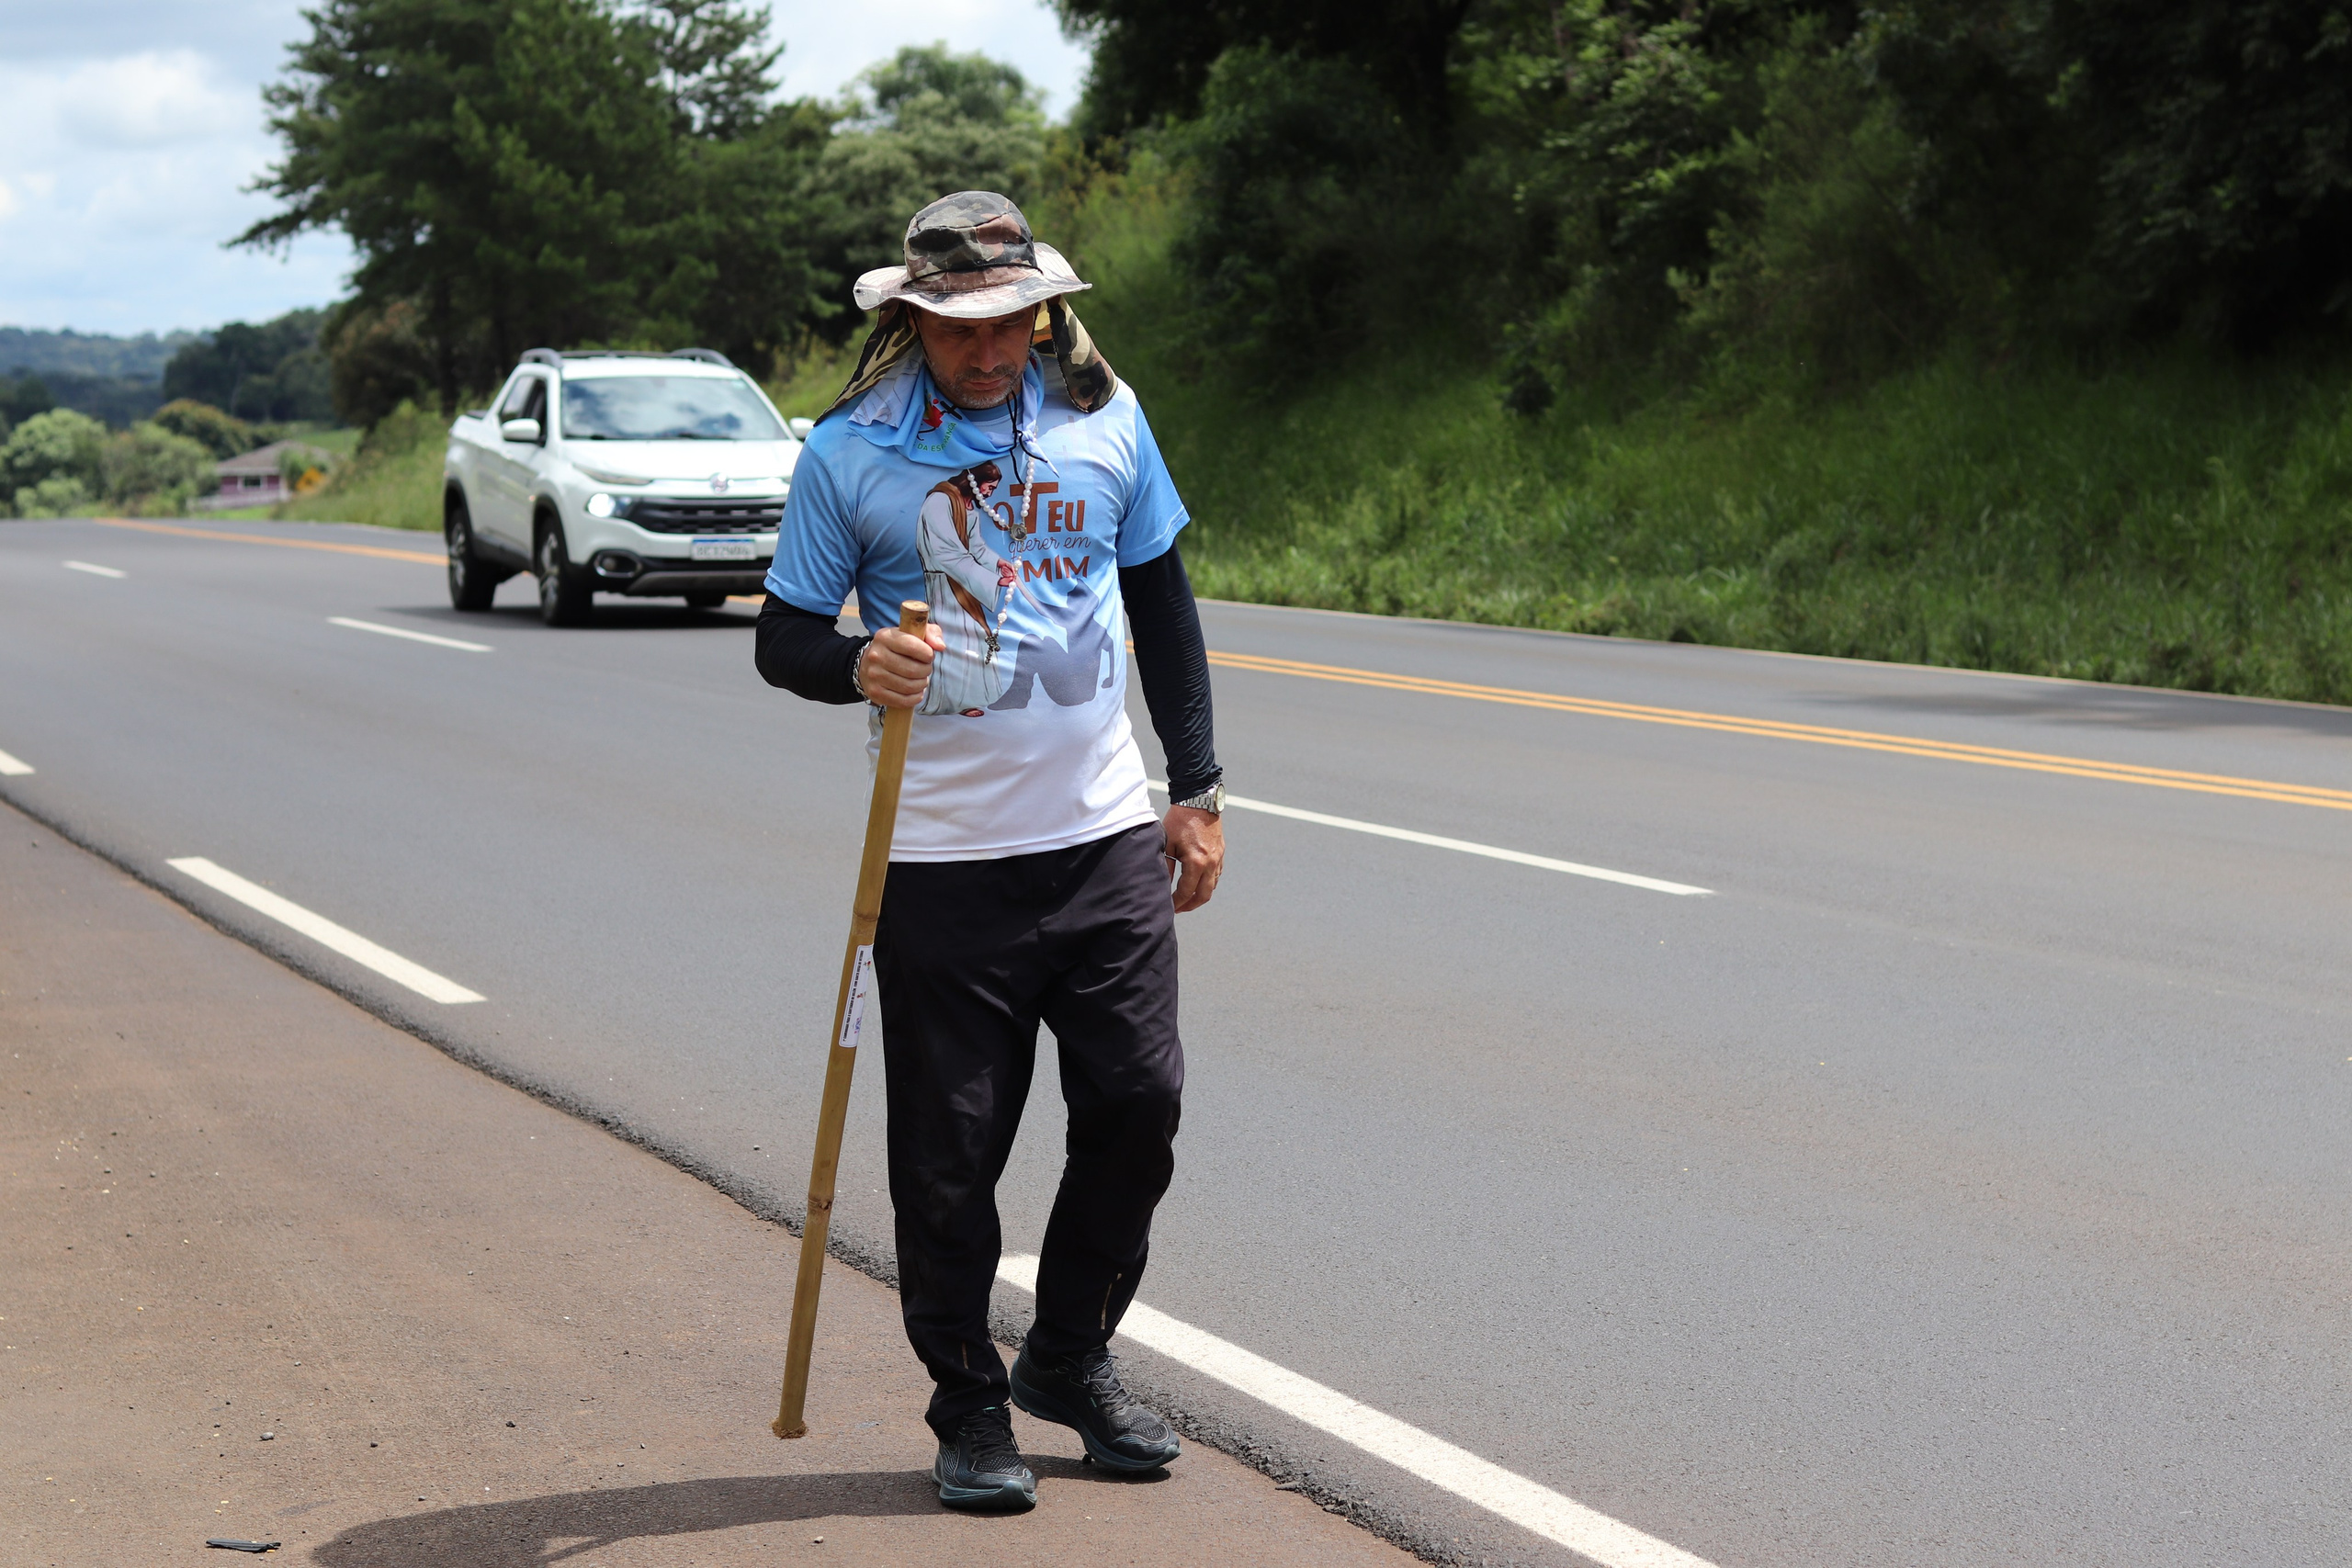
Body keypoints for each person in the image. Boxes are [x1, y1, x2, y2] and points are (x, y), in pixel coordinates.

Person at [754, 190, 1227, 1514]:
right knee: (951, 1153)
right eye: (962, 325)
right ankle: (968, 1405)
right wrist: (859, 660)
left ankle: (1068, 1357)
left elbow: (1163, 601)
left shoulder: (1103, 417)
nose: (993, 346)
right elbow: (783, 637)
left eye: (1014, 319)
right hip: (943, 864)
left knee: (1139, 1107)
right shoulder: (850, 453)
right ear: (911, 319)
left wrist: (1196, 786)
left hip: (1103, 840)